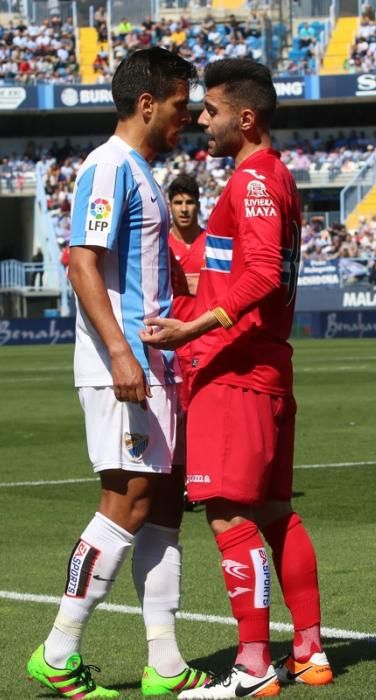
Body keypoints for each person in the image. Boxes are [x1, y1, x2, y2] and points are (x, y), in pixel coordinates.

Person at [140, 58, 333, 698]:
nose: (201, 119)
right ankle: (308, 651)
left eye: (212, 111)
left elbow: (261, 276)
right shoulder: (271, 178)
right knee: (277, 514)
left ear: (245, 119)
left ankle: (252, 666)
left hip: (236, 368)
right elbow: (242, 269)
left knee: (227, 516)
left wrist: (191, 330)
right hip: (268, 366)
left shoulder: (253, 179)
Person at [27, 47, 209, 700]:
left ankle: (165, 663)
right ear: (147, 103)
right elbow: (81, 263)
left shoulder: (140, 171)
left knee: (162, 509)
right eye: (182, 107)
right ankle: (59, 650)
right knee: (126, 504)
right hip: (123, 369)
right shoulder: (107, 168)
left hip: (154, 367)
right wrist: (122, 352)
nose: (186, 120)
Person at [167, 175, 206, 507]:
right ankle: (178, 483)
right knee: (176, 417)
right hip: (173, 346)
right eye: (178, 202)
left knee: (205, 417)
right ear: (170, 206)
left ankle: (202, 482)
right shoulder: (162, 245)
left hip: (207, 344)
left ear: (198, 204)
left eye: (189, 202)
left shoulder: (213, 244)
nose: (184, 209)